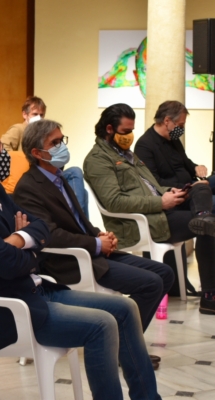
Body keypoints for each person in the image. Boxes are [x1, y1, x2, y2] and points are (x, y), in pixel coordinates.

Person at [0, 120, 161, 399]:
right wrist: (27, 246)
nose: (4, 154)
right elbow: (9, 263)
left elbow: (39, 226)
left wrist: (18, 239)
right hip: (6, 310)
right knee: (102, 325)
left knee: (125, 309)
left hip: (33, 290)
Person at [12, 119, 173, 368]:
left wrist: (102, 235)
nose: (61, 146)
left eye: (61, 140)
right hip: (67, 261)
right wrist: (95, 244)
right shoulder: (29, 187)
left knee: (164, 273)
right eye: (54, 143)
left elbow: (76, 221)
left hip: (89, 250)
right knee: (151, 284)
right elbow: (50, 234)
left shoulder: (58, 176)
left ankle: (124, 344)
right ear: (36, 153)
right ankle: (126, 350)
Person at [83, 103, 215, 315]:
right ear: (109, 129)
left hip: (162, 209)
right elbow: (114, 202)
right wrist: (161, 202)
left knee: (201, 190)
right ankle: (210, 295)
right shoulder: (97, 160)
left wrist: (168, 191)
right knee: (209, 224)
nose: (130, 136)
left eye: (131, 130)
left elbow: (151, 187)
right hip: (147, 221)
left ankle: (203, 215)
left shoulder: (127, 154)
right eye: (126, 131)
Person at [0, 96, 89, 216]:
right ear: (25, 115)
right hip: (31, 172)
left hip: (48, 171)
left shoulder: (45, 132)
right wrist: (23, 158)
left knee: (76, 176)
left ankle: (81, 221)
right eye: (35, 114)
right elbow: (2, 147)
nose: (39, 118)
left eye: (41, 115)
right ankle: (78, 220)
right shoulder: (19, 129)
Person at [135, 100, 215, 208]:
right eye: (180, 125)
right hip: (178, 192)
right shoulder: (144, 145)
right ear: (167, 120)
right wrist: (190, 187)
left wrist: (196, 167)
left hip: (192, 183)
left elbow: (184, 161)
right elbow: (154, 181)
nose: (181, 129)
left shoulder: (173, 137)